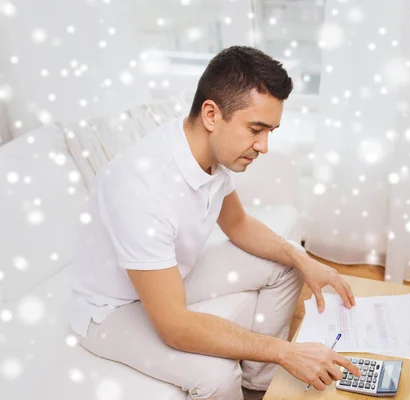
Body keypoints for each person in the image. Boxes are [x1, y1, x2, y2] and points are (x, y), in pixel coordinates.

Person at [68, 45, 362, 400]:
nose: (264, 145)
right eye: (256, 128)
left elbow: (238, 224)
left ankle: (260, 387)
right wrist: (285, 352)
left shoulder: (210, 153)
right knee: (217, 376)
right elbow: (174, 327)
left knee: (285, 264)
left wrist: (304, 260)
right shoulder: (141, 188)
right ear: (211, 114)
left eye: (270, 130)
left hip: (170, 274)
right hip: (111, 309)